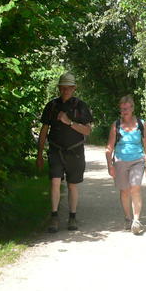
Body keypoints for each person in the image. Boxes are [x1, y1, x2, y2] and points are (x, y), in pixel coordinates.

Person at [37, 72, 93, 233]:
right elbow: (44, 130)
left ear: (74, 88)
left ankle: (72, 216)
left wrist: (69, 122)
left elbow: (87, 130)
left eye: (69, 87)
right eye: (63, 87)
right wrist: (39, 154)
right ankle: (54, 216)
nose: (65, 90)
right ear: (59, 88)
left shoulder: (81, 106)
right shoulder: (52, 106)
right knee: (55, 181)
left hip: (75, 151)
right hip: (55, 150)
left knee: (72, 185)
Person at [105, 95, 146, 235]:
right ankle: (127, 218)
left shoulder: (141, 124)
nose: (123, 111)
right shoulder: (116, 125)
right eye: (121, 109)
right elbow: (109, 148)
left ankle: (136, 220)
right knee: (124, 191)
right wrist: (110, 165)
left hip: (137, 160)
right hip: (120, 160)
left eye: (126, 109)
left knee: (135, 188)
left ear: (132, 108)